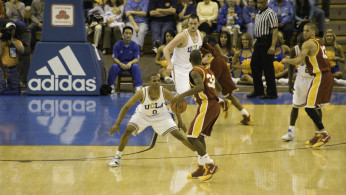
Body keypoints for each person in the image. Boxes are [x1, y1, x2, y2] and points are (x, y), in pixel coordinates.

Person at [108, 74, 196, 167]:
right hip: (143, 115)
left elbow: (176, 105)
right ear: (149, 82)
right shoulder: (142, 92)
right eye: (154, 81)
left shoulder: (164, 91)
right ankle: (117, 157)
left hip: (161, 115)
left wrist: (180, 122)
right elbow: (126, 107)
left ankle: (201, 156)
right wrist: (117, 124)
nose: (157, 82)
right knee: (128, 130)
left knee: (179, 136)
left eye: (158, 80)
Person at [171, 50, 221, 181]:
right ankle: (201, 167)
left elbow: (199, 87)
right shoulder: (208, 71)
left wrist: (181, 95)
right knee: (199, 137)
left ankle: (210, 165)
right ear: (200, 58)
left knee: (192, 137)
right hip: (214, 104)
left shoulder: (194, 71)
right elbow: (218, 88)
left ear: (189, 60)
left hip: (207, 104)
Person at [282, 23, 333, 148]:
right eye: (303, 30)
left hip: (320, 77)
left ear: (313, 32)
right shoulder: (319, 42)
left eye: (307, 30)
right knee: (312, 106)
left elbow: (298, 61)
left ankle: (324, 134)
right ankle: (317, 135)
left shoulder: (307, 44)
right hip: (324, 76)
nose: (304, 33)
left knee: (309, 108)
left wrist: (285, 60)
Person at [200, 41, 253, 125]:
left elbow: (212, 40)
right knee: (228, 94)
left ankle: (215, 111)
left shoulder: (197, 40)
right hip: (220, 62)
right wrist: (221, 54)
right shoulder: (200, 41)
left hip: (213, 63)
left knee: (207, 92)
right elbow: (214, 42)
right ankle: (246, 115)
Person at [281, 33, 314, 141]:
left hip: (313, 79)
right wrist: (290, 82)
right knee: (295, 106)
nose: (300, 44)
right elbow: (291, 67)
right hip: (300, 80)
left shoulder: (313, 48)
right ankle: (291, 131)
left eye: (302, 42)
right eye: (298, 42)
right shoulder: (294, 50)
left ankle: (318, 133)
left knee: (316, 107)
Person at [163, 14, 203, 94]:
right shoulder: (182, 36)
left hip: (193, 67)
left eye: (195, 24)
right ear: (188, 23)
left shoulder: (200, 35)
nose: (193, 26)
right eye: (191, 23)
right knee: (183, 93)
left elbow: (199, 51)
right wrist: (169, 64)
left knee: (201, 91)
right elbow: (166, 49)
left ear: (199, 23)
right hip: (179, 68)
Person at [247, 0, 278, 99]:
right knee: (254, 65)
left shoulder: (271, 13)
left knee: (268, 68)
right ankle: (258, 90)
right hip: (258, 42)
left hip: (266, 42)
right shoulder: (259, 13)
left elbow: (275, 30)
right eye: (258, 3)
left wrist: (273, 46)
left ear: (267, 2)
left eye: (262, 3)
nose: (259, 5)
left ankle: (272, 93)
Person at [107, 26, 143, 92]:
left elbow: (137, 59)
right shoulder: (117, 45)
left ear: (132, 35)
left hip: (130, 65)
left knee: (136, 66)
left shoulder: (135, 45)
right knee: (114, 66)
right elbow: (114, 58)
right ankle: (111, 86)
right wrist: (121, 64)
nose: (128, 35)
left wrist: (130, 63)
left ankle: (138, 86)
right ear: (123, 34)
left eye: (130, 33)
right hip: (120, 65)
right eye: (126, 33)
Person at [0, 22, 24, 94]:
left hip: (13, 69)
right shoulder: (2, 42)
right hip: (2, 69)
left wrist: (12, 42)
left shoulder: (17, 41)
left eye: (12, 29)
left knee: (15, 88)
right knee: (1, 88)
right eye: (9, 30)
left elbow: (22, 50)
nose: (11, 31)